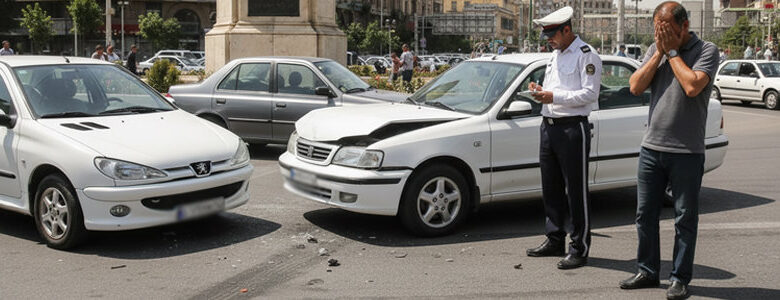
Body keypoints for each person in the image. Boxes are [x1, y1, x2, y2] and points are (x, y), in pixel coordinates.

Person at [622, 2, 718, 299]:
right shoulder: (656, 48)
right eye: (656, 29)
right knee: (644, 215)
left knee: (684, 218)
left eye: (666, 29)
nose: (660, 34)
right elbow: (635, 86)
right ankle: (647, 270)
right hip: (652, 148)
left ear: (684, 26)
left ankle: (679, 278)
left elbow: (692, 86)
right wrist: (661, 51)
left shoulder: (707, 50)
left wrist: (673, 53)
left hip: (687, 151)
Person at [525, 6, 602, 270]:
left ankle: (579, 247)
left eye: (552, 35)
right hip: (549, 126)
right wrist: (541, 92)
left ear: (567, 30)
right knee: (551, 188)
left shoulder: (586, 54)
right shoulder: (555, 56)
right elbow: (557, 89)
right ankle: (554, 238)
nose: (549, 40)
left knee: (576, 191)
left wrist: (553, 97)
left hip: (572, 129)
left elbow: (590, 94)